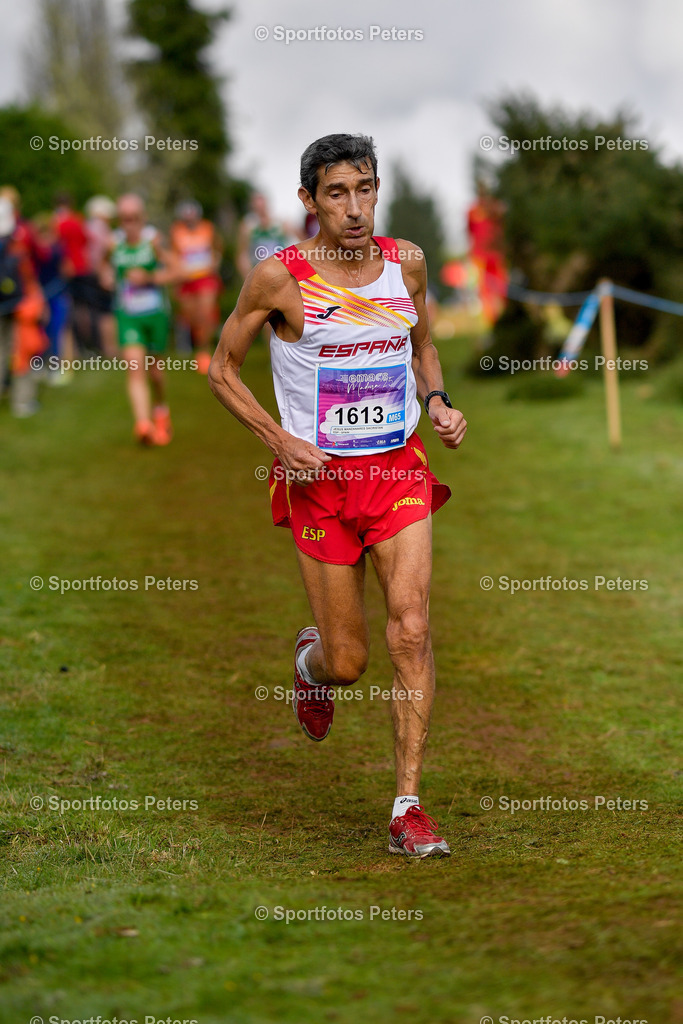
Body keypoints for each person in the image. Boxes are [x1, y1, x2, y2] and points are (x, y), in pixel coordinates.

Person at [209, 134, 467, 858]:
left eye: (363, 189)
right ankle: (309, 665)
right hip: (318, 484)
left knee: (411, 629)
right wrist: (277, 441)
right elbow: (221, 370)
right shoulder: (277, 279)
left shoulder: (406, 263)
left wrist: (438, 400)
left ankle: (407, 808)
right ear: (307, 201)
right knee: (347, 661)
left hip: (395, 473)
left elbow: (422, 346)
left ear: (376, 190)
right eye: (335, 193)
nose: (353, 208)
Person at [104, 193, 179, 445]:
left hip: (155, 314)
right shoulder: (113, 244)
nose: (130, 224)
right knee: (135, 368)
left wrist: (149, 279)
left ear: (142, 218)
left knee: (155, 373)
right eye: (125, 219)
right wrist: (106, 276)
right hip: (128, 316)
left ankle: (160, 410)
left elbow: (177, 270)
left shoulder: (153, 241)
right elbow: (102, 266)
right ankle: (143, 424)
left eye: (134, 218)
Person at [0, 197, 46, 416]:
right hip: (19, 304)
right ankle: (22, 402)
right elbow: (28, 272)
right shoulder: (17, 241)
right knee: (21, 352)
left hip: (8, 304)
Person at [170, 200, 222, 375]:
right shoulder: (176, 231)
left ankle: (204, 351)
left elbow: (217, 248)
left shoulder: (208, 228)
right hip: (186, 280)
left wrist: (215, 262)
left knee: (205, 314)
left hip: (205, 278)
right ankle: (199, 345)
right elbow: (174, 254)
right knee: (192, 318)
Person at [84, 195, 118, 357]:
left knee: (96, 311)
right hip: (100, 274)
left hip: (89, 273)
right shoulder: (100, 228)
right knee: (107, 312)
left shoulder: (88, 225)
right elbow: (103, 253)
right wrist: (105, 275)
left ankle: (101, 346)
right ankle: (109, 348)